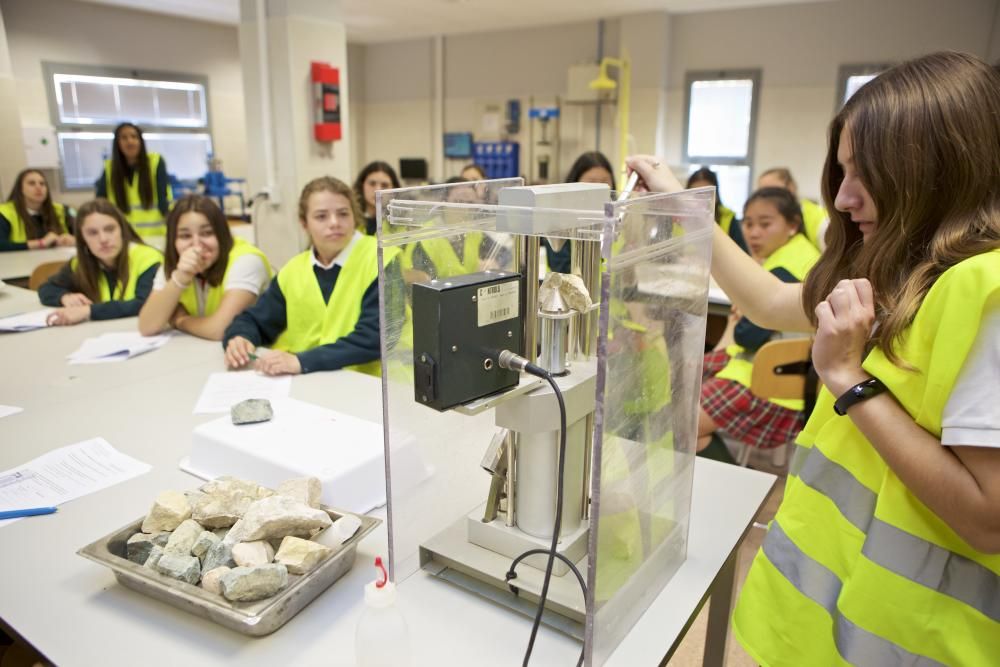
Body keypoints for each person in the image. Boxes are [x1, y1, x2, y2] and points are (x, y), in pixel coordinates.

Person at [627, 51, 1000, 665]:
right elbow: (768, 300)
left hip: (910, 638)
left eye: (867, 174)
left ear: (940, 169)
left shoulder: (981, 293)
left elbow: (987, 517)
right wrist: (682, 203)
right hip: (822, 616)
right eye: (844, 172)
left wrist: (847, 377)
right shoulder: (896, 271)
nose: (845, 198)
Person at [223, 176, 401, 376]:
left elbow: (375, 337)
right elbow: (255, 319)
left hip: (375, 384)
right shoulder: (293, 270)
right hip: (314, 383)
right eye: (321, 216)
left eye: (343, 214)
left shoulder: (381, 257)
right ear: (304, 224)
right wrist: (240, 337)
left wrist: (301, 361)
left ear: (354, 217)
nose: (334, 223)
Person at [698, 187, 819, 453]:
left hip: (769, 381)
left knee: (681, 424)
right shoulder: (799, 254)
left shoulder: (786, 268)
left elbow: (746, 334)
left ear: (792, 225)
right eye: (749, 223)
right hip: (768, 367)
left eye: (765, 224)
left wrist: (743, 313)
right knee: (691, 370)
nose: (753, 232)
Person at [137, 195, 271, 340]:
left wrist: (181, 320)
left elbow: (220, 330)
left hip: (260, 353)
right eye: (185, 236)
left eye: (207, 233)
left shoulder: (247, 260)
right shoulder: (176, 265)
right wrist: (180, 278)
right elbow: (147, 326)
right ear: (173, 241)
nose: (196, 244)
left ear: (222, 234)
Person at [39, 199, 162, 325]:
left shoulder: (148, 258)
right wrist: (64, 297)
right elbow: (46, 289)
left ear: (122, 230)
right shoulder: (79, 263)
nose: (103, 239)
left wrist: (88, 311)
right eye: (92, 233)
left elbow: (145, 303)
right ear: (82, 239)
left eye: (110, 229)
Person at [94, 122, 173, 239]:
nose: (130, 141)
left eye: (134, 137)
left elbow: (163, 201)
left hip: (156, 236)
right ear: (117, 143)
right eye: (124, 138)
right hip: (123, 237)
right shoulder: (110, 168)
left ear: (140, 141)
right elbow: (100, 203)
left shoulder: (155, 162)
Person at [543, 151, 617, 273]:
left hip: (609, 292)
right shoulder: (560, 221)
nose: (599, 188)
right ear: (575, 182)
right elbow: (562, 272)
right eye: (592, 182)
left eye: (604, 182)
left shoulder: (616, 219)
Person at [0, 169, 75, 252]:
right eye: (32, 183)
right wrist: (41, 243)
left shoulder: (62, 210)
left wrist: (74, 240)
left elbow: (85, 234)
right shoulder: (4, 212)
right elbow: (2, 245)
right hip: (19, 263)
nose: (38, 187)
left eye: (42, 184)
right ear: (20, 189)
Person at [758, 167, 828, 250]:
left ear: (791, 187)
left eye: (773, 191)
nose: (767, 198)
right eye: (762, 193)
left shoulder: (820, 220)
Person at [686, 166, 747, 253]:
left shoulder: (728, 218)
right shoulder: (677, 218)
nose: (701, 201)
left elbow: (741, 253)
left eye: (707, 194)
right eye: (696, 195)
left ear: (716, 196)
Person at [352, 161, 401, 236]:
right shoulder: (351, 221)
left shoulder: (401, 225)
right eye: (372, 183)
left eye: (384, 185)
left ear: (394, 190)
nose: (378, 190)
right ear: (361, 186)